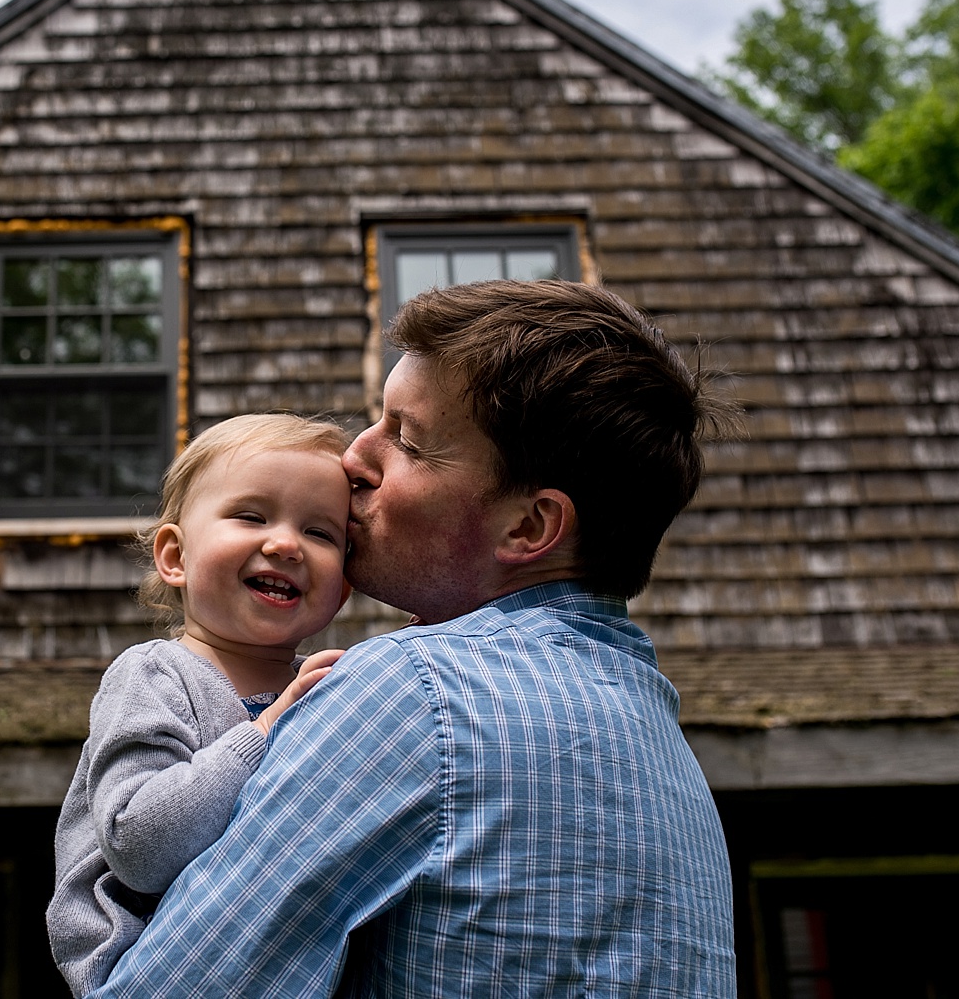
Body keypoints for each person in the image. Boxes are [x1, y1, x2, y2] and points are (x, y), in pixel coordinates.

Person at [90, 279, 741, 997]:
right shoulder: (664, 747)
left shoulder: (415, 695)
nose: (354, 460)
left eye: (406, 440)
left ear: (527, 527)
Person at [47, 413, 353, 996]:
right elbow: (137, 846)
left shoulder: (318, 692)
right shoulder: (154, 675)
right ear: (175, 557)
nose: (286, 543)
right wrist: (264, 730)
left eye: (321, 533)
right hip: (147, 967)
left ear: (342, 588)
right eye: (251, 516)